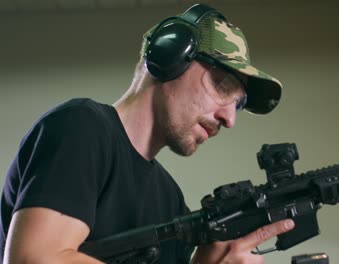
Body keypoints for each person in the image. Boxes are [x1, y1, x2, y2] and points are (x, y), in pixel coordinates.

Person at [0, 3, 294, 264]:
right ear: (170, 56)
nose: (229, 119)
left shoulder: (171, 201)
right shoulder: (83, 127)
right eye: (223, 87)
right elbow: (36, 258)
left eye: (238, 105)